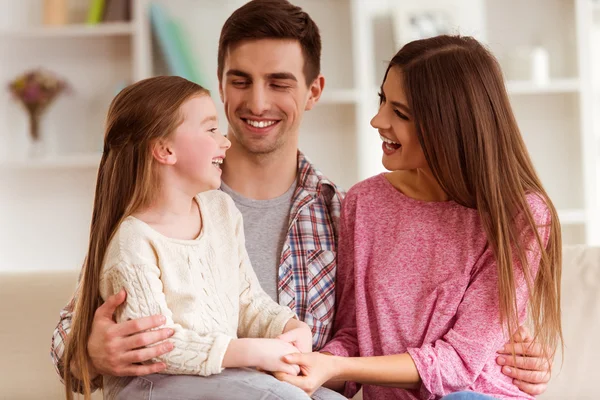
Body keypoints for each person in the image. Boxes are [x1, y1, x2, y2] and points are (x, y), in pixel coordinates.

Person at [51, 1, 553, 398]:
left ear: (314, 91)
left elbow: (391, 339)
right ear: (220, 85)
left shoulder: (342, 210)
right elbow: (76, 329)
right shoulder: (167, 198)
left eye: (280, 82)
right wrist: (93, 351)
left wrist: (508, 355)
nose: (257, 102)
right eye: (240, 80)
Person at [274, 35, 562, 400]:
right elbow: (353, 336)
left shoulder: (521, 216)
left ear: (451, 125)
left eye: (401, 113)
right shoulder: (365, 202)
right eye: (383, 100)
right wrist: (300, 364)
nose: (378, 120)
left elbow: (459, 364)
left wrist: (337, 367)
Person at [63, 75, 329, 400]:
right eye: (211, 129)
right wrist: (255, 352)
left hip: (220, 376)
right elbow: (157, 347)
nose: (225, 141)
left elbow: (246, 298)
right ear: (165, 149)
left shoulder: (220, 210)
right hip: (152, 384)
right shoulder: (133, 240)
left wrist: (289, 327)